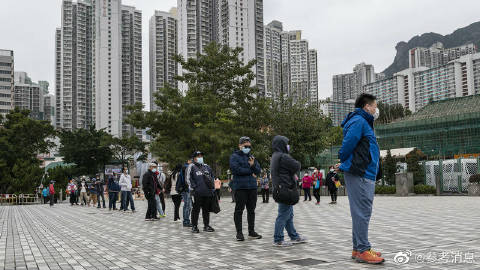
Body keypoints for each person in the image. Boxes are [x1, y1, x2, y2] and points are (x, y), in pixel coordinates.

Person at [336, 93, 384, 264]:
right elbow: (348, 144)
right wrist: (343, 159)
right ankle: (363, 249)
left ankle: (358, 248)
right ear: (367, 107)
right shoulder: (359, 121)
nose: (376, 109)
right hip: (361, 173)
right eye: (374, 106)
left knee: (360, 212)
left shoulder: (363, 122)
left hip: (364, 173)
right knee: (362, 212)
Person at [271, 135, 307, 247]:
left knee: (288, 215)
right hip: (286, 189)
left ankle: (294, 236)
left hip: (280, 189)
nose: (288, 146)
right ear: (282, 144)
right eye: (286, 143)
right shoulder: (283, 156)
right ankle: (278, 239)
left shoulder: (275, 156)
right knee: (283, 215)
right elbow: (297, 166)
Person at [229, 136, 262, 241]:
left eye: (249, 145)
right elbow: (236, 170)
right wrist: (250, 171)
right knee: (239, 210)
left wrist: (252, 166)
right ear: (240, 145)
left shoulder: (252, 157)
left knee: (251, 210)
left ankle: (251, 232)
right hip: (240, 187)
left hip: (252, 187)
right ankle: (239, 233)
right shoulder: (234, 157)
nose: (247, 147)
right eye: (245, 145)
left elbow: (258, 170)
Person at [186, 151, 216, 233]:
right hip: (197, 193)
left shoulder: (207, 166)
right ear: (194, 158)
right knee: (196, 210)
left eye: (201, 156)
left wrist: (212, 188)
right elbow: (188, 179)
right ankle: (194, 226)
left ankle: (206, 225)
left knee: (206, 210)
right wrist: (194, 188)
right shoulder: (191, 166)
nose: (200, 157)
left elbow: (212, 177)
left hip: (207, 192)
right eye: (198, 156)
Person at [178, 159, 192, 227]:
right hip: (186, 189)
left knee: (187, 205)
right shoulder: (186, 167)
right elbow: (186, 180)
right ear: (189, 160)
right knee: (188, 205)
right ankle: (186, 221)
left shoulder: (185, 167)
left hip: (184, 189)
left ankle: (186, 221)